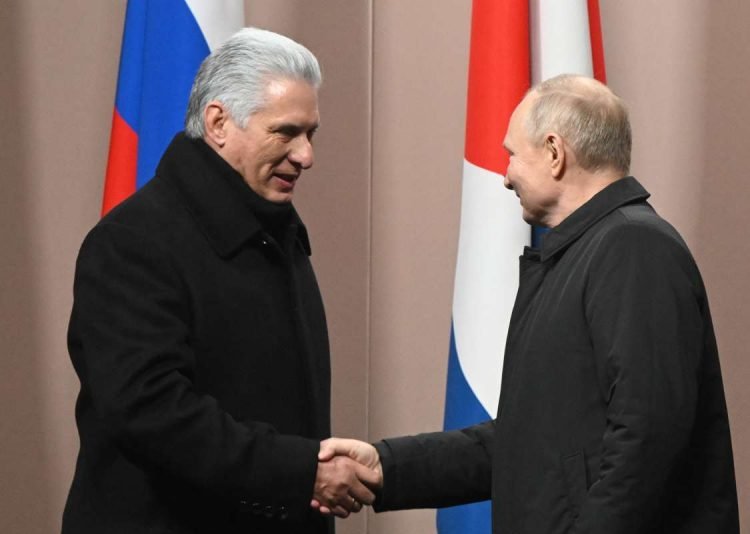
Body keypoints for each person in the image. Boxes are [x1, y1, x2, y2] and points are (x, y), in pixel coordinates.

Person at [318, 74, 739, 533]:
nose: (505, 176)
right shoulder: (581, 257)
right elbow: (524, 443)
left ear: (555, 153)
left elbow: (648, 434)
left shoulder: (634, 247)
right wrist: (387, 466)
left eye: (513, 155)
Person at [63, 27, 380, 534]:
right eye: (286, 132)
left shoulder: (277, 233)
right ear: (218, 122)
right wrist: (301, 473)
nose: (306, 155)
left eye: (311, 134)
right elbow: (151, 412)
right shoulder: (131, 242)